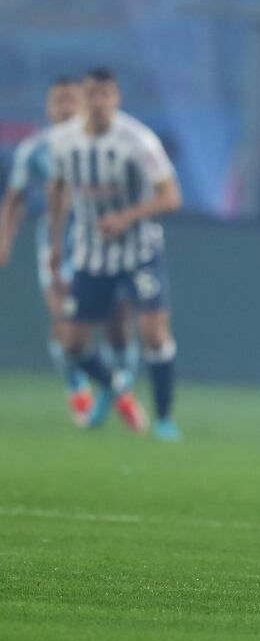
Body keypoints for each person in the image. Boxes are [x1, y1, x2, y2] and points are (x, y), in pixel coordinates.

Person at [47, 67, 183, 441]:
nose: (100, 102)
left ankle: (165, 419)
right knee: (71, 344)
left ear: (117, 99)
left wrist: (127, 216)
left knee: (154, 335)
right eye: (93, 94)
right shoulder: (64, 142)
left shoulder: (139, 141)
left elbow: (172, 196)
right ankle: (116, 385)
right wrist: (57, 243)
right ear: (84, 98)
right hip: (91, 255)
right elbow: (58, 188)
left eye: (107, 94)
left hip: (140, 252)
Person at [0, 76, 138, 426]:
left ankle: (119, 385)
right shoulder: (35, 149)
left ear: (84, 105)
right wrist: (4, 240)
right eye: (57, 101)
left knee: (118, 322)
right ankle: (80, 388)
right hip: (58, 244)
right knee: (63, 321)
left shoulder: (112, 143)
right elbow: (15, 198)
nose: (64, 109)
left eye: (71, 101)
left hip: (106, 245)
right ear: (48, 108)